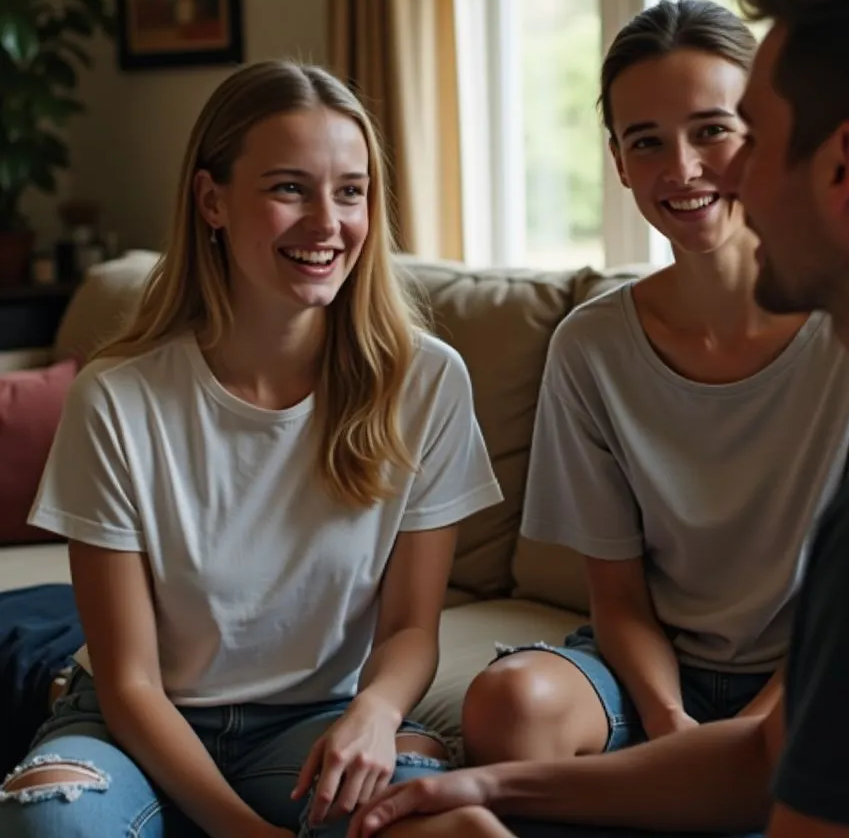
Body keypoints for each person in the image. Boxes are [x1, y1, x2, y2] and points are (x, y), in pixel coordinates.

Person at [348, 0, 849, 838]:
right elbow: (765, 759)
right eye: (648, 143)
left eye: (754, 135)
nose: (714, 173)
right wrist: (490, 790)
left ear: (842, 165)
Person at [0, 60, 503, 838]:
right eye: (289, 188)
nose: (328, 224)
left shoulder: (426, 381)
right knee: (51, 825)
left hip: (318, 721)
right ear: (212, 201)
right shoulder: (116, 398)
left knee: (451, 820)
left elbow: (410, 629)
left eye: (350, 190)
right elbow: (131, 683)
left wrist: (376, 709)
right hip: (130, 724)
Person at [457, 0, 849, 776]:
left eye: (712, 130)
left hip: (822, 669)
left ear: (772, 129)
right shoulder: (590, 347)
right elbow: (616, 601)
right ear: (619, 162)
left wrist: (742, 742)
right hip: (648, 676)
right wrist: (674, 727)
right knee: (507, 704)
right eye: (646, 141)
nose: (681, 169)